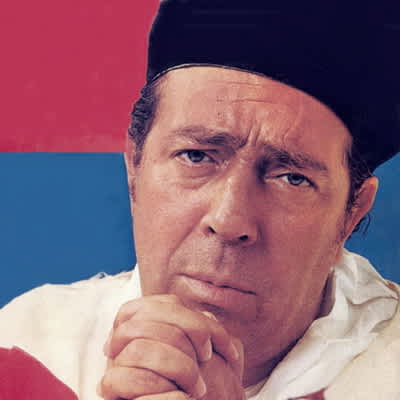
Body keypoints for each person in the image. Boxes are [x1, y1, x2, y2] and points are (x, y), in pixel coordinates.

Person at [1, 1, 399, 399]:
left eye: (292, 178)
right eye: (195, 156)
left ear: (350, 216)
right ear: (135, 167)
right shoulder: (28, 344)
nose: (229, 220)